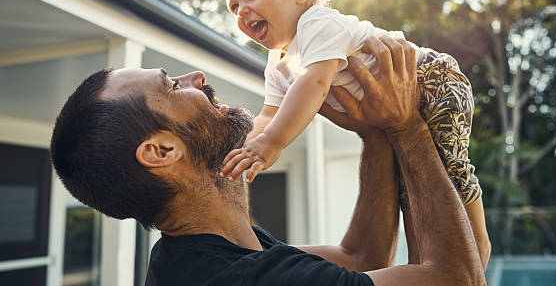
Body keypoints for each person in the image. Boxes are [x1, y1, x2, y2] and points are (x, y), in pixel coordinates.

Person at [50, 36, 485, 285]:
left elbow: (362, 255)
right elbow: (459, 279)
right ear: (162, 151)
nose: (196, 78)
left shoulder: (204, 256)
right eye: (170, 84)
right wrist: (408, 129)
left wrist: (375, 134)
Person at [221, 0, 490, 266]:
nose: (242, 11)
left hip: (431, 81)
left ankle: (475, 248)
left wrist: (271, 143)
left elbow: (315, 84)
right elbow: (269, 113)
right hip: (400, 109)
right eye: (234, 6)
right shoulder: (278, 61)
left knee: (446, 173)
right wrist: (241, 148)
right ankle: (436, 263)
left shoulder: (315, 24)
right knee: (414, 191)